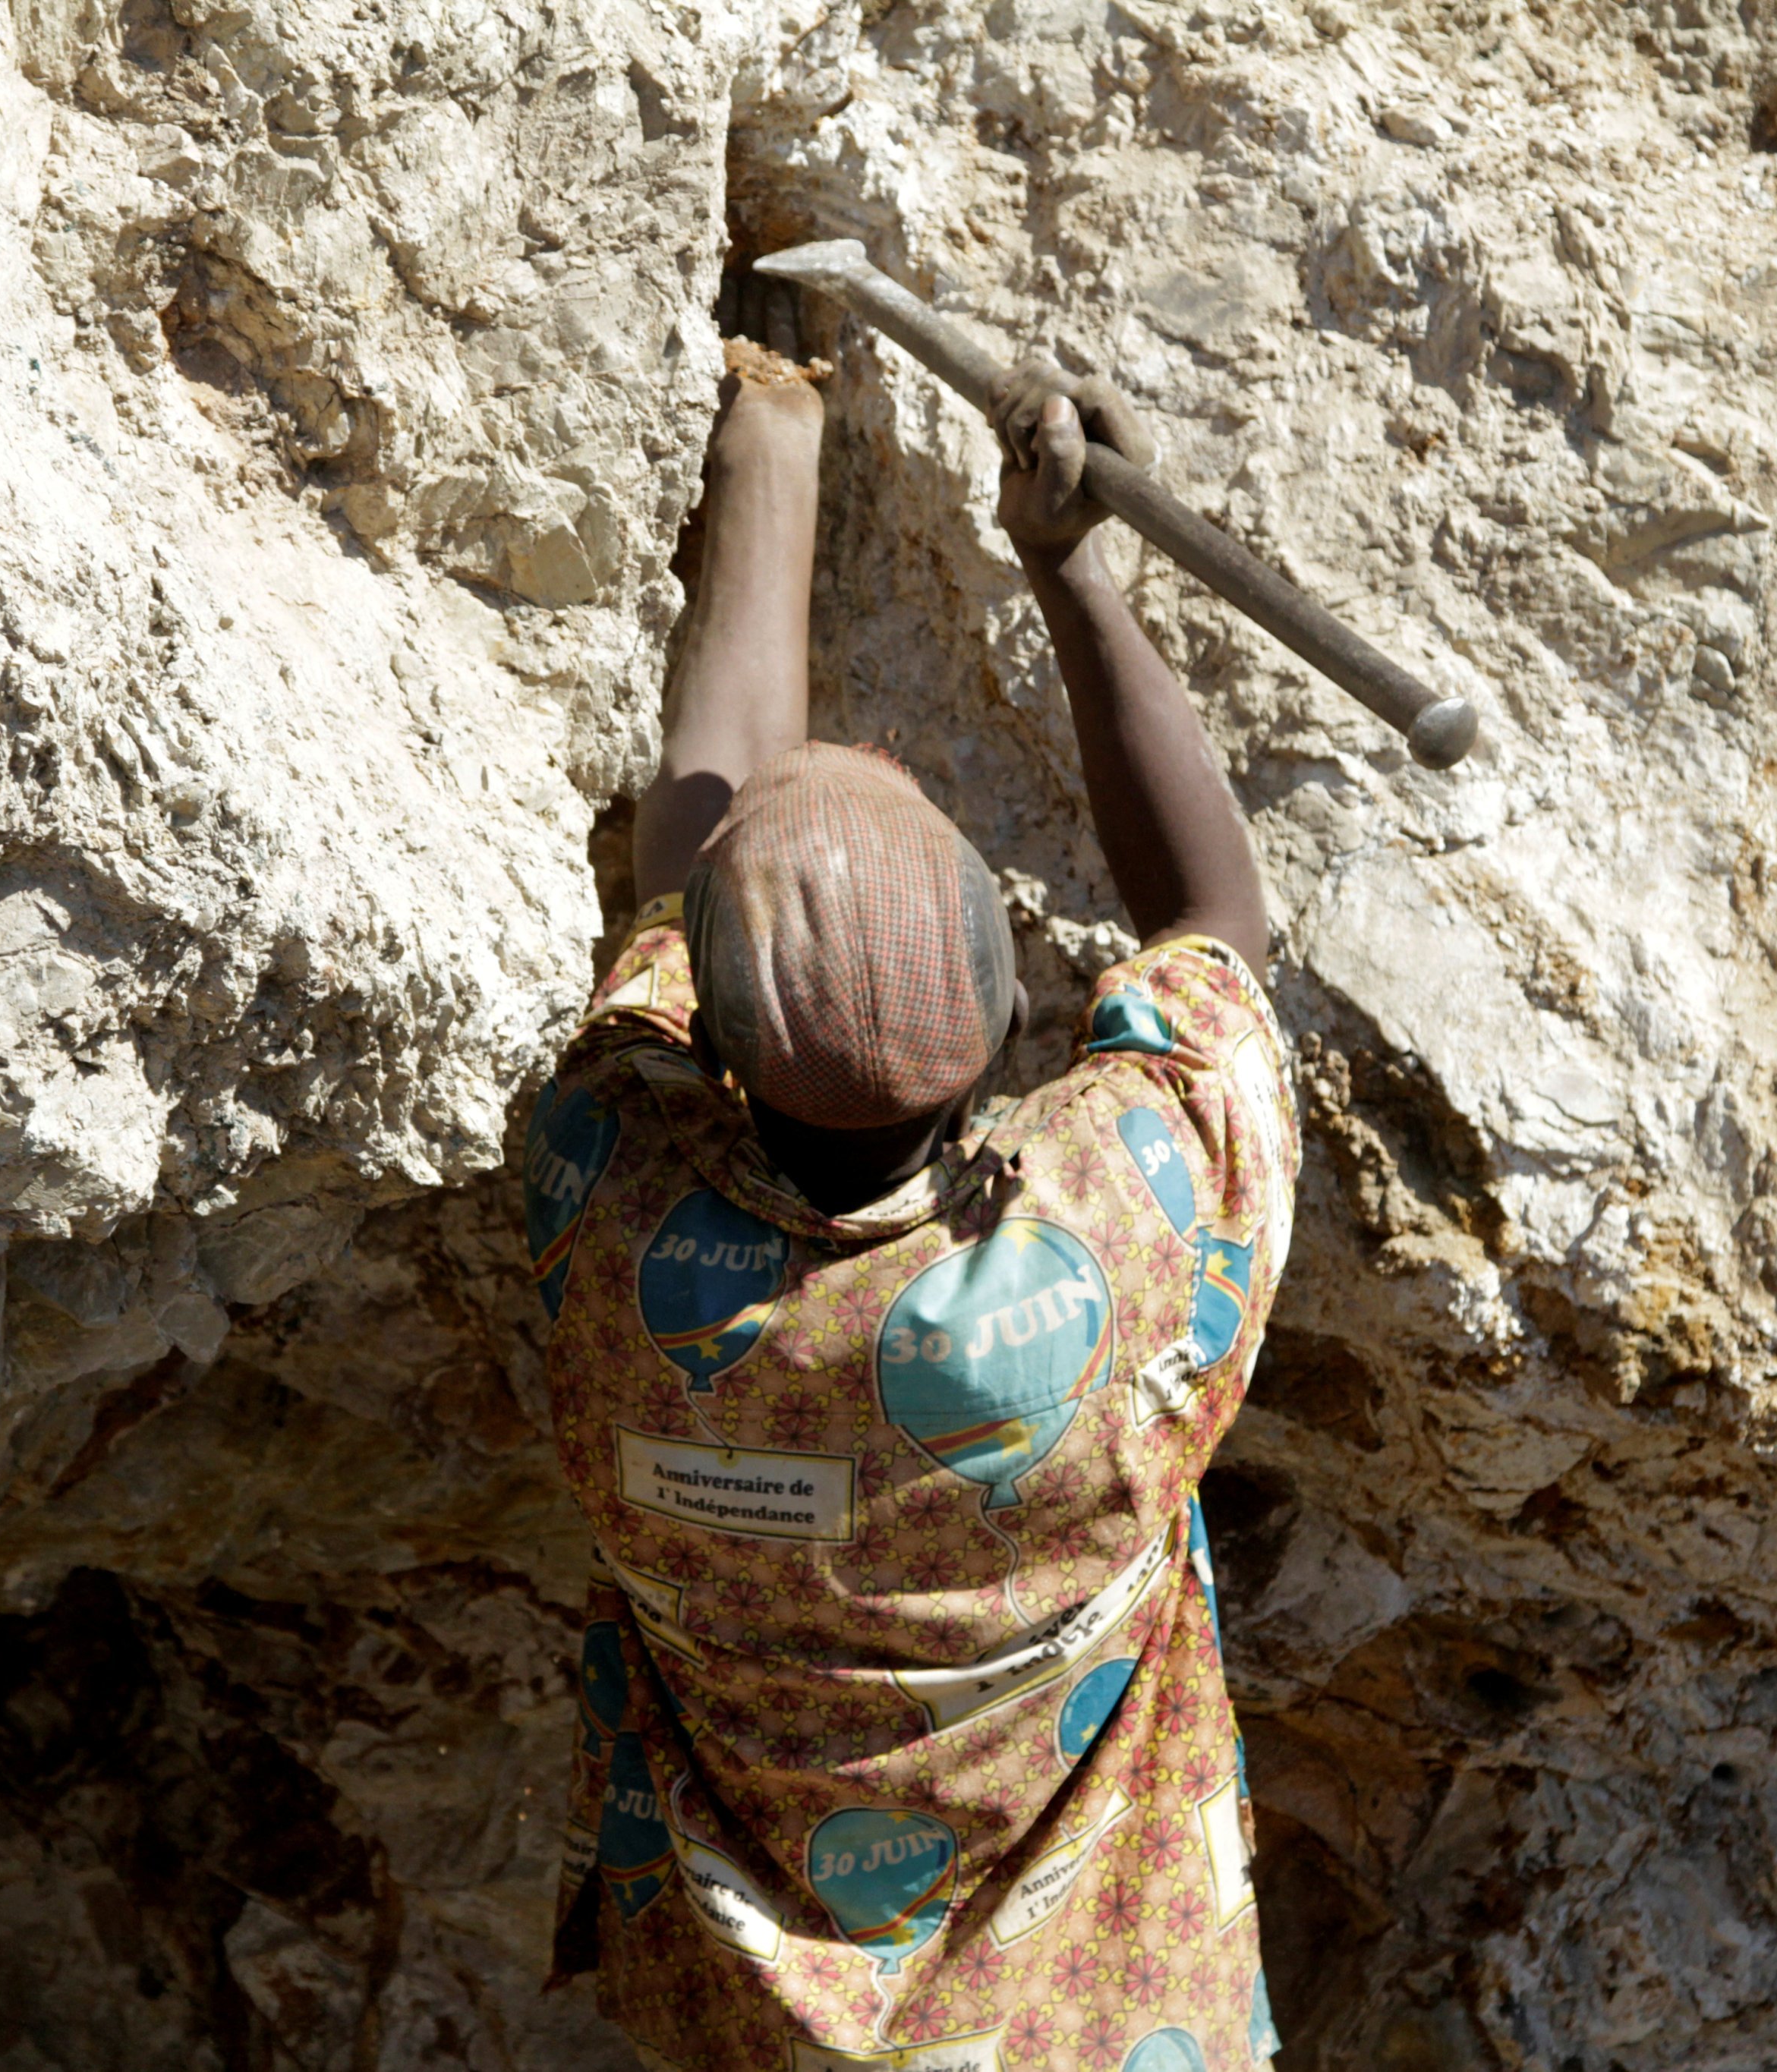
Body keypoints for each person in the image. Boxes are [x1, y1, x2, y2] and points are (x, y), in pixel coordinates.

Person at [523, 310, 1297, 2072]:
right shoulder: (1116, 1226)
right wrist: (1070, 569)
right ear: (1018, 1019)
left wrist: (774, 424)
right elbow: (1215, 935)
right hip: (1098, 2022)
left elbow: (678, 865)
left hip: (754, 2014)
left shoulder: (608, 1208)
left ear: (703, 1043)